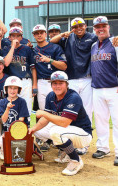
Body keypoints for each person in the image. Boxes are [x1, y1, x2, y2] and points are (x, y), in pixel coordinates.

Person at [29, 71, 92, 176]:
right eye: (54, 83)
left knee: (55, 131)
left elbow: (64, 122)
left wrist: (44, 113)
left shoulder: (73, 97)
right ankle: (66, 152)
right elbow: (45, 119)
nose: (57, 86)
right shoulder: (51, 96)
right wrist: (33, 129)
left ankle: (76, 161)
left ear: (67, 84)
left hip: (83, 134)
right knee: (38, 132)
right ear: (51, 84)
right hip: (69, 131)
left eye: (60, 83)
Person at [90, 16, 118, 166]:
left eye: (103, 26)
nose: (100, 29)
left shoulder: (115, 42)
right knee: (100, 120)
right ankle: (103, 147)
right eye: (97, 26)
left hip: (114, 88)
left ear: (108, 27)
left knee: (117, 120)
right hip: (98, 89)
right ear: (94, 29)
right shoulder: (93, 45)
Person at [3, 27, 37, 115]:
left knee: (27, 109)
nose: (15, 38)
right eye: (13, 36)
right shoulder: (6, 49)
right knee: (12, 109)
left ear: (21, 37)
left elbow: (33, 68)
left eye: (18, 36)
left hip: (25, 81)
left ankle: (27, 126)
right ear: (9, 37)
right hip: (12, 82)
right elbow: (6, 63)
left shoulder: (27, 49)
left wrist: (34, 85)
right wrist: (13, 47)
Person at [33, 24, 67, 110]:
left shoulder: (56, 48)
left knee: (58, 111)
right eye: (37, 33)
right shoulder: (33, 50)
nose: (39, 35)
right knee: (43, 111)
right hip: (41, 82)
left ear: (45, 34)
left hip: (55, 82)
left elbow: (64, 66)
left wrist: (50, 60)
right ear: (34, 35)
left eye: (41, 32)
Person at [0, 76, 29, 160]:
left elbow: (21, 119)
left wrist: (15, 133)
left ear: (19, 90)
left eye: (15, 88)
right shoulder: (2, 102)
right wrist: (7, 109)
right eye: (10, 88)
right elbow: (3, 120)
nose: (12, 90)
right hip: (7, 132)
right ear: (6, 89)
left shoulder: (22, 101)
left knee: (20, 151)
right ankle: (3, 150)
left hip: (19, 131)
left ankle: (33, 147)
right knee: (0, 141)